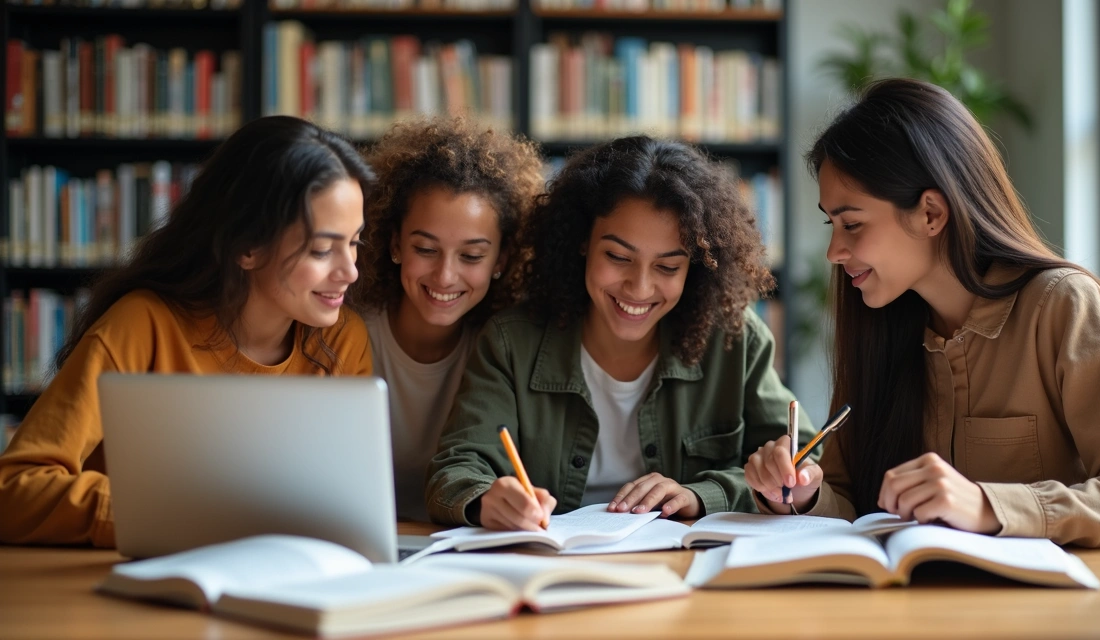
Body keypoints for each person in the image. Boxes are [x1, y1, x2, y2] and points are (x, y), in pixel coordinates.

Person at [744, 78, 1100, 547]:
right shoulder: (877, 326)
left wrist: (988, 505)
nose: (834, 251)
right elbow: (850, 503)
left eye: (852, 223)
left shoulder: (1062, 306)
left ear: (931, 214)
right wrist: (799, 494)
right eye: (831, 224)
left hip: (1048, 612)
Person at [0, 115, 375, 547]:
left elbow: (349, 506)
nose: (350, 270)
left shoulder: (342, 339)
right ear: (246, 246)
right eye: (322, 249)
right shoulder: (141, 325)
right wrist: (172, 513)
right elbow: (15, 488)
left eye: (354, 242)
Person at [425, 135, 815, 531]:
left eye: (667, 267)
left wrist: (703, 495)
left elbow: (803, 466)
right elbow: (456, 470)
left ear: (694, 268)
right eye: (617, 257)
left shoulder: (736, 340)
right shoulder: (512, 341)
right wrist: (486, 500)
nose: (639, 288)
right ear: (581, 243)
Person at [350, 117, 544, 521]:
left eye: (471, 256)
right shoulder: (344, 334)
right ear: (394, 243)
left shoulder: (507, 350)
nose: (444, 276)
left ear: (501, 260)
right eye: (426, 249)